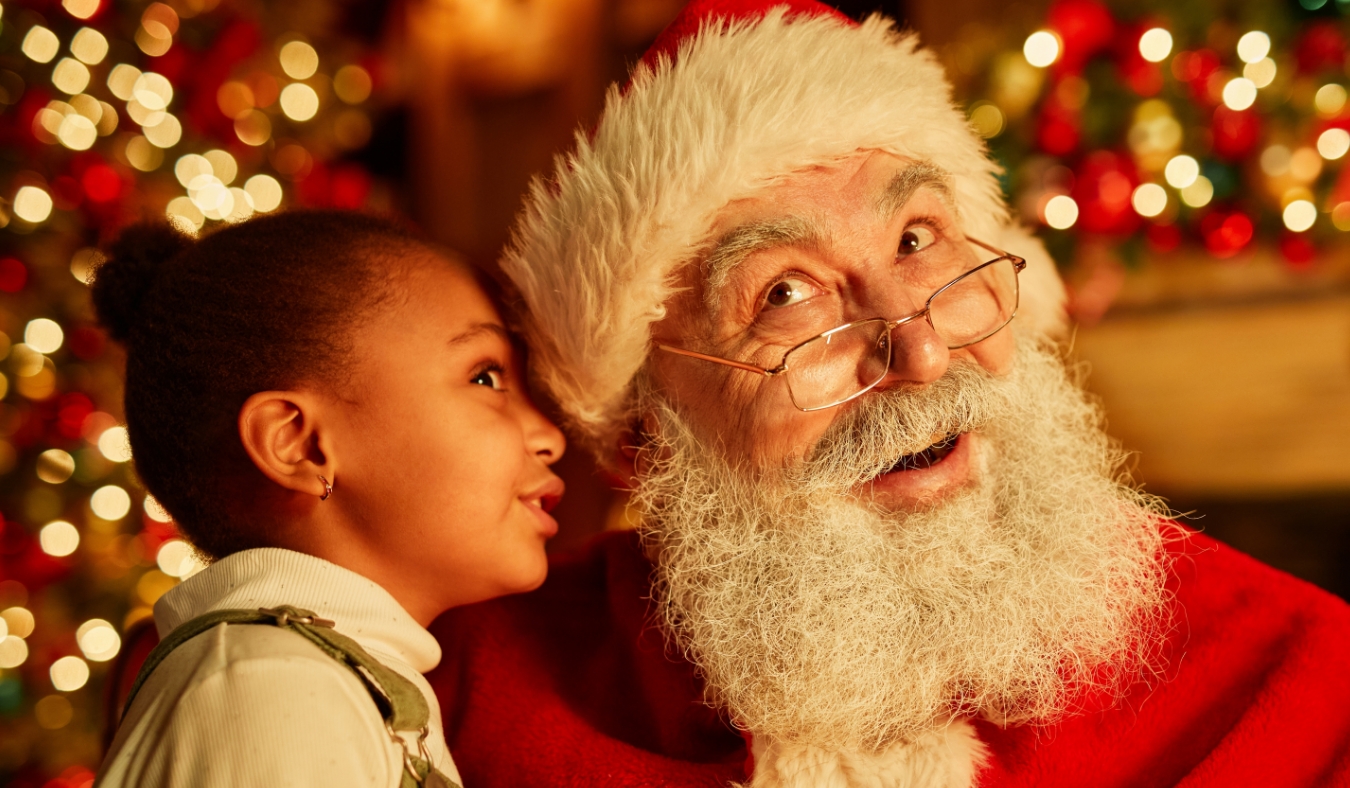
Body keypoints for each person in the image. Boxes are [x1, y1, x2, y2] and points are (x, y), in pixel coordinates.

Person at [427, 1, 1350, 787]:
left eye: (917, 239)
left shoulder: (1295, 672)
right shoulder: (464, 692)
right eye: (784, 294)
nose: (920, 350)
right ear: (644, 439)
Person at [94, 211, 566, 788]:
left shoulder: (326, 677)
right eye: (486, 378)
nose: (550, 436)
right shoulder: (273, 685)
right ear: (299, 444)